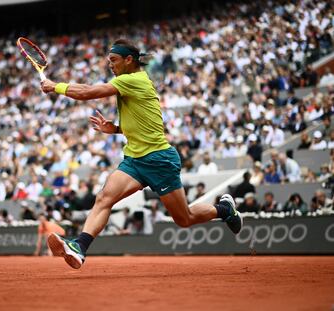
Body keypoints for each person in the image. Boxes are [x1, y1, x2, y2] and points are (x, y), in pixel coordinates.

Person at [40, 39, 242, 269]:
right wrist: (115, 128)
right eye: (109, 61)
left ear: (129, 60)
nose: (110, 65)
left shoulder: (133, 80)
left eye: (114, 60)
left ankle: (224, 209)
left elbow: (88, 92)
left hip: (159, 160)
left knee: (184, 219)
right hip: (135, 160)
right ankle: (80, 246)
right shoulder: (128, 82)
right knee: (104, 198)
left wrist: (55, 86)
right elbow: (144, 123)